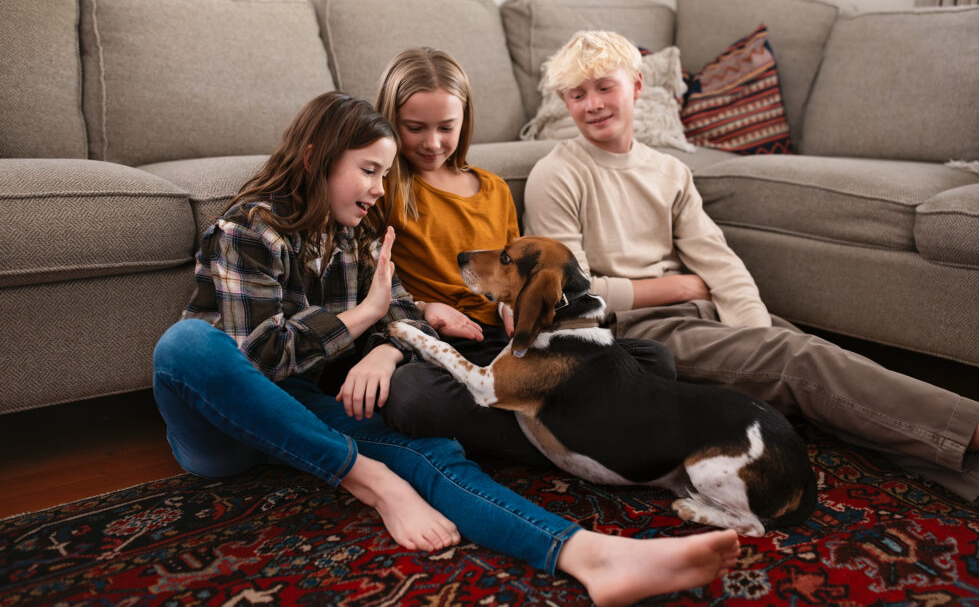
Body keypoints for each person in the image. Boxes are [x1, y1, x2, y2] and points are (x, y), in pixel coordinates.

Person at [151, 90, 740, 606]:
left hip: (305, 407)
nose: (379, 190)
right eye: (370, 171)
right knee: (185, 346)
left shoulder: (352, 233)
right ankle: (372, 482)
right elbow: (261, 356)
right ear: (315, 160)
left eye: (385, 175)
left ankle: (589, 555)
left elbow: (402, 307)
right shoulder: (243, 232)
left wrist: (384, 348)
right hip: (223, 431)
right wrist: (365, 318)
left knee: (429, 453)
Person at [521, 29, 979, 502]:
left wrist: (752, 330)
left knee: (825, 369)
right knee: (801, 363)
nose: (592, 105)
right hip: (633, 333)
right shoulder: (558, 175)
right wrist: (677, 290)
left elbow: (717, 258)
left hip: (698, 312)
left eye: (603, 87)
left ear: (636, 85)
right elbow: (571, 297)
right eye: (576, 95)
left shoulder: (670, 171)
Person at [366, 47, 675, 468]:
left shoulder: (493, 189)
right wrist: (422, 311)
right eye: (415, 128)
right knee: (412, 396)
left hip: (511, 344)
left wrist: (514, 306)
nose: (432, 142)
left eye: (446, 127)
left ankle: (554, 430)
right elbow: (366, 281)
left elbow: (515, 276)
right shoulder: (384, 189)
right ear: (390, 122)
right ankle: (571, 440)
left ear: (465, 120)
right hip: (440, 344)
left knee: (654, 359)